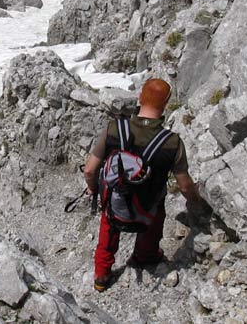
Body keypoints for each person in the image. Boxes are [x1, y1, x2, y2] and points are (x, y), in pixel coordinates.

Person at [83, 78, 204, 292]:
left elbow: (90, 170)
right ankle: (145, 256)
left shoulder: (114, 129)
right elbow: (185, 186)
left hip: (115, 202)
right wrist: (198, 204)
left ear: (140, 97)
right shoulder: (172, 142)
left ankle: (101, 275)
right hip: (149, 207)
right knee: (156, 211)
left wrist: (93, 189)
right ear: (166, 104)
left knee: (109, 220)